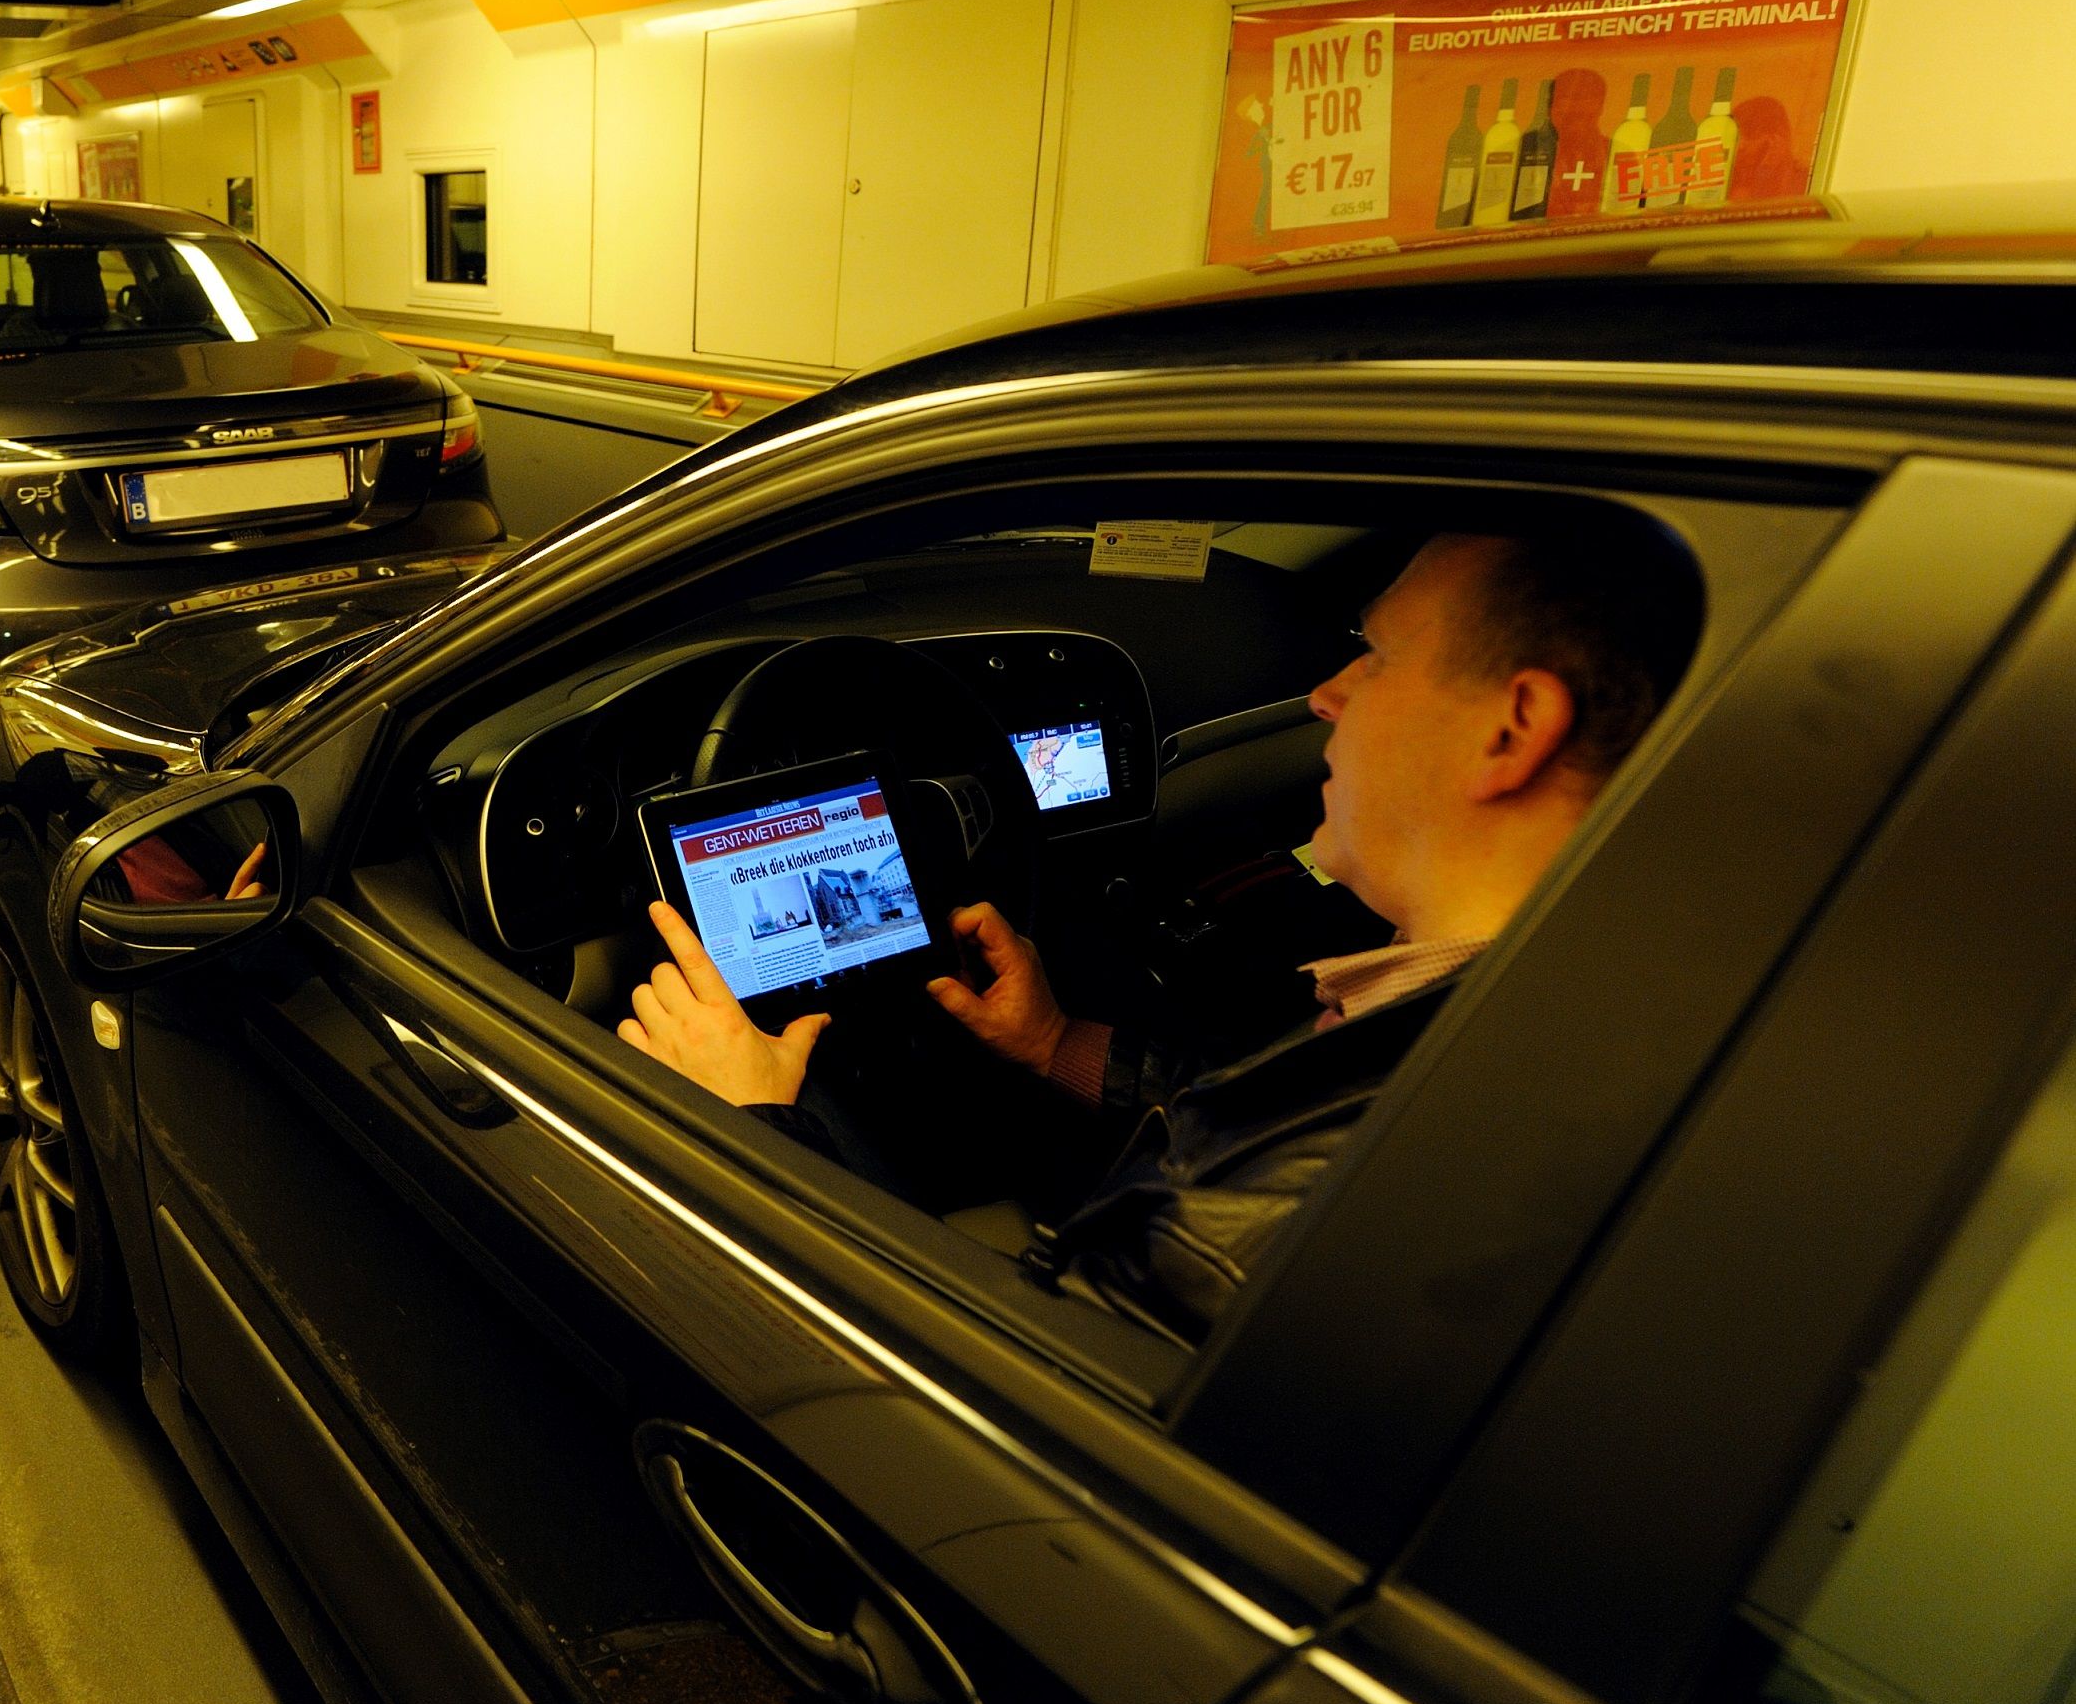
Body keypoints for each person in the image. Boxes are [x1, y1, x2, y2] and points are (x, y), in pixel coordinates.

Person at [619, 528, 1693, 1340]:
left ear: (1514, 728)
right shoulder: (1585, 1002)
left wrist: (754, 1128)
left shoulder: (1227, 1240)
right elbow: (1260, 1111)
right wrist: (1057, 1045)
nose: (1324, 693)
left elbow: (960, 1401)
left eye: (1373, 656)